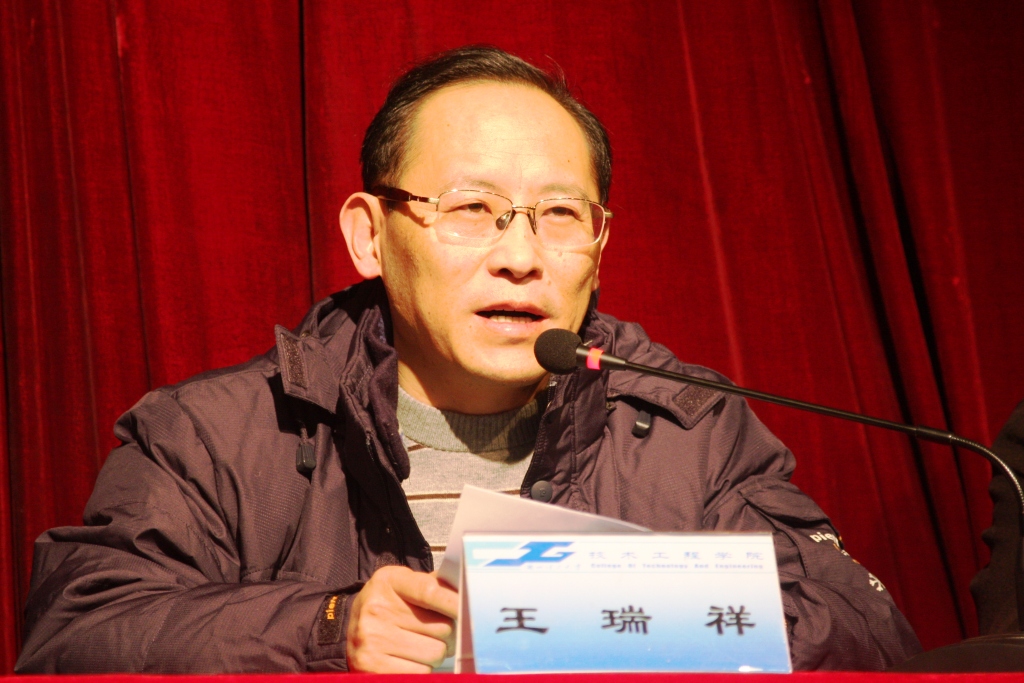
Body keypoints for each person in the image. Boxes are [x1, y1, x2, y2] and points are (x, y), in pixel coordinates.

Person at [16, 46, 921, 673]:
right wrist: (327, 628)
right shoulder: (218, 434)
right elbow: (75, 635)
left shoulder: (688, 428)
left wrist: (593, 614)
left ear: (600, 246)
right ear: (370, 236)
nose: (521, 256)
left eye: (559, 215)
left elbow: (867, 626)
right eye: (471, 208)